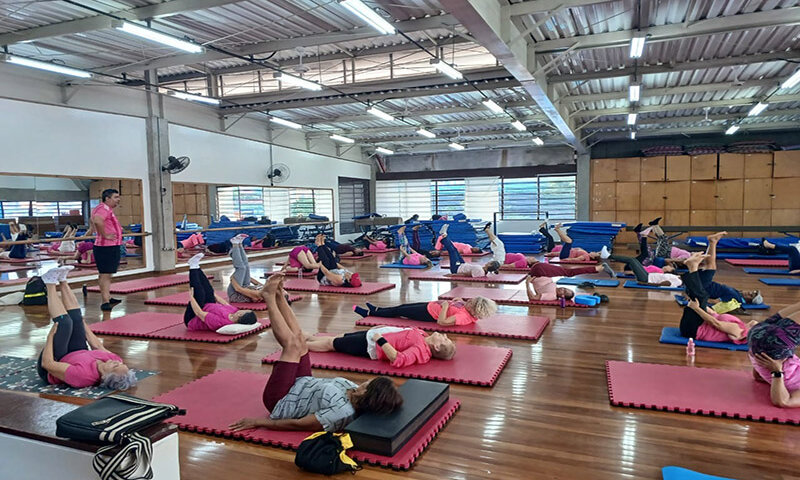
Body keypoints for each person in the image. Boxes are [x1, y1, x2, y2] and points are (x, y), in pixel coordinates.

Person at [229, 274, 403, 432]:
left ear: (367, 395)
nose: (366, 381)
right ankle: (279, 295)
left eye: (368, 384)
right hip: (302, 382)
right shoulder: (354, 389)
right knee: (300, 339)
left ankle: (268, 297)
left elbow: (297, 424)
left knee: (292, 346)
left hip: (282, 400)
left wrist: (258, 422)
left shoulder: (341, 413)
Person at [36, 266, 136, 390]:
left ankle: (49, 283)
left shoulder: (83, 376)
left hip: (53, 363)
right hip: (76, 352)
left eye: (115, 366)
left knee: (65, 324)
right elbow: (97, 346)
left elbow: (47, 364)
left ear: (105, 376)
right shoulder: (114, 359)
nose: (117, 362)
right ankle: (62, 280)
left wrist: (50, 337)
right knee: (76, 318)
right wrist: (81, 322)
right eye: (121, 364)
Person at [678, 251, 755, 344]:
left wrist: (697, 308)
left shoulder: (739, 331)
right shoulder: (740, 324)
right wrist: (702, 306)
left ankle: (692, 266)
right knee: (701, 296)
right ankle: (692, 266)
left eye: (756, 325)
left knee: (702, 296)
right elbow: (714, 314)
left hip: (691, 330)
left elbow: (715, 323)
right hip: (696, 324)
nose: (755, 322)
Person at [306, 326, 456, 367]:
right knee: (338, 337)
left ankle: (301, 345)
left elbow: (398, 359)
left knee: (331, 344)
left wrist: (380, 339)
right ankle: (308, 338)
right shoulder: (423, 335)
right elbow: (400, 332)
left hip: (369, 344)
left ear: (436, 347)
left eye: (444, 339)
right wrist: (381, 328)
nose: (444, 335)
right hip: (372, 335)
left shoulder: (420, 350)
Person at [184, 252, 257, 330]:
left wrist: (192, 297)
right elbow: (224, 303)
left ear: (240, 315)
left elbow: (199, 313)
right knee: (209, 290)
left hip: (192, 317)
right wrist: (213, 294)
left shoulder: (222, 322)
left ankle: (192, 267)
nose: (243, 309)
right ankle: (196, 266)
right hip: (207, 305)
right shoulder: (234, 311)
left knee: (199, 293)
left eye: (245, 310)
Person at [747, 300, 800, 407]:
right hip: (757, 336)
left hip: (773, 343)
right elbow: (757, 377)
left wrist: (776, 371)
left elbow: (783, 402)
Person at [697, 231, 764, 307]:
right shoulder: (737, 293)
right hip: (705, 284)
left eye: (751, 295)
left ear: (749, 301)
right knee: (707, 266)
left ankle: (713, 242)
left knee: (710, 266)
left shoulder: (736, 299)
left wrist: (696, 298)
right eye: (752, 292)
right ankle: (712, 242)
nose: (749, 292)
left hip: (704, 287)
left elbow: (715, 302)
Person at [353, 296, 497, 326]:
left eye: (470, 302)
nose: (468, 301)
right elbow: (462, 305)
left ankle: (369, 314)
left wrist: (445, 307)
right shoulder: (467, 308)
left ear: (474, 309)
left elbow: (442, 322)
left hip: (428, 313)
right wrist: (459, 301)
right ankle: (377, 310)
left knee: (399, 312)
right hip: (429, 305)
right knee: (401, 307)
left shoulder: (463, 317)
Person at [91, 189, 123, 311]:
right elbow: (97, 220)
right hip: (106, 247)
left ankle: (108, 297)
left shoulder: (106, 209)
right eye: (115, 197)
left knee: (107, 273)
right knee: (105, 274)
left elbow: (95, 221)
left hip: (111, 246)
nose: (118, 200)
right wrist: (105, 235)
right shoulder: (103, 208)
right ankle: (105, 301)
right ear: (107, 198)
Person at [603, 248, 682, 287]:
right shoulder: (677, 277)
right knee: (633, 260)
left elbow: (664, 284)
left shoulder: (678, 281)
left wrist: (645, 283)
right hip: (647, 275)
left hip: (645, 279)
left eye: (671, 268)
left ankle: (609, 256)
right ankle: (608, 256)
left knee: (631, 260)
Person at [227, 234, 270, 303]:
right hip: (245, 287)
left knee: (241, 268)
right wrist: (246, 276)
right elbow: (257, 283)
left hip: (235, 293)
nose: (283, 290)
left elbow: (238, 289)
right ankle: (239, 244)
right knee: (246, 266)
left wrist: (232, 279)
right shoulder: (268, 291)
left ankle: (234, 244)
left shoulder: (261, 295)